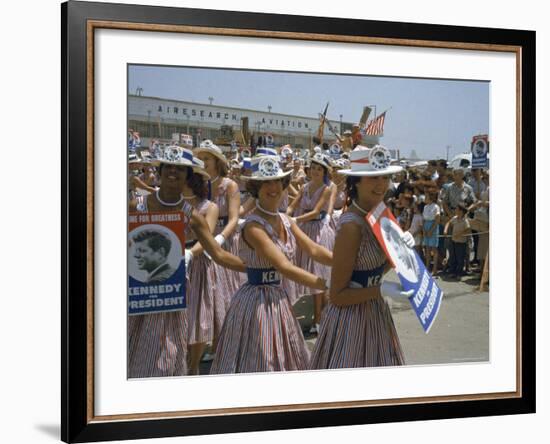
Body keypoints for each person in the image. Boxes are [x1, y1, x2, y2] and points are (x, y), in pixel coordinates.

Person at [128, 146, 246, 378]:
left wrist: (253, 268)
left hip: (173, 293)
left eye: (180, 169)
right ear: (159, 171)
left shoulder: (192, 215)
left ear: (188, 176)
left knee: (167, 356)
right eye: (168, 167)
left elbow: (218, 254)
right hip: (138, 293)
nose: (173, 172)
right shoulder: (136, 206)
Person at [210, 154, 332, 374]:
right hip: (256, 301)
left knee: (284, 356)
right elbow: (283, 267)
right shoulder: (253, 226)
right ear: (256, 187)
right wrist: (329, 285)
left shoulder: (285, 219)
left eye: (277, 181)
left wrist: (344, 262)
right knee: (262, 360)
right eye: (266, 182)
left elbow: (313, 249)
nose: (273, 187)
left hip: (278, 296)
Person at [309, 145, 414, 369]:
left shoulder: (380, 213)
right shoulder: (351, 226)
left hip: (375, 312)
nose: (382, 184)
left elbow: (375, 267)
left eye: (385, 177)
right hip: (351, 320)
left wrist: (404, 249)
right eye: (373, 178)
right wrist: (380, 290)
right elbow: (337, 296)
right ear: (356, 181)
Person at [194, 140, 244, 360]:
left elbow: (234, 217)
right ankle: (211, 344)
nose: (204, 162)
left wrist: (221, 238)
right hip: (203, 241)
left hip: (226, 240)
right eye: (202, 158)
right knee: (209, 293)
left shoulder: (229, 185)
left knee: (226, 292)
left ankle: (222, 345)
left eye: (207, 158)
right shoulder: (197, 184)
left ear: (217, 161)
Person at [286, 152, 335, 334]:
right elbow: (292, 205)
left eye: (319, 169)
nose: (315, 171)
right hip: (303, 229)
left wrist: (295, 220)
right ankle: (315, 315)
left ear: (324, 172)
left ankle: (319, 319)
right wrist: (286, 214)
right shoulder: (304, 187)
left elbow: (315, 212)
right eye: (313, 168)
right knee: (300, 269)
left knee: (318, 272)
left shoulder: (326, 189)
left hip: (317, 231)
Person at [444, 204, 472, 278]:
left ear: (461, 211)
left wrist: (459, 234)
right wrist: (445, 230)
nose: (455, 210)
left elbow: (468, 230)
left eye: (456, 209)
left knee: (460, 258)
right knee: (453, 257)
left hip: (461, 243)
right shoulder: (455, 218)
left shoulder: (465, 221)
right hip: (454, 241)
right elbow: (448, 223)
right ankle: (453, 271)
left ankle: (459, 273)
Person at [422, 191, 441, 275]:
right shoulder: (425, 207)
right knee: (427, 248)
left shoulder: (436, 207)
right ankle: (427, 267)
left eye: (427, 196)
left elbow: (437, 220)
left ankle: (434, 269)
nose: (425, 198)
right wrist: (424, 230)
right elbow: (423, 219)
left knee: (434, 249)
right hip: (426, 226)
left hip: (433, 226)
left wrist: (431, 230)